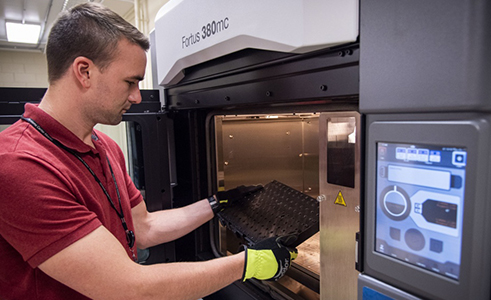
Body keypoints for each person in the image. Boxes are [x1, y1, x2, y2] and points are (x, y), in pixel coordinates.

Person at [0, 3, 296, 299]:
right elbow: (128, 286)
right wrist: (249, 263)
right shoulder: (20, 165)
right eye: (130, 82)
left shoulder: (104, 147)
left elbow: (144, 226)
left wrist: (216, 203)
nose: (137, 96)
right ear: (84, 71)